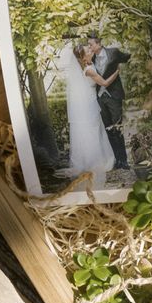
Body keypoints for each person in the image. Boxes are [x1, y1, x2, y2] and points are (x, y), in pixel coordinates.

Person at [61, 44, 120, 187]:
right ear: (82, 57)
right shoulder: (88, 70)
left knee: (95, 131)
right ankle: (93, 161)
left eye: (89, 48)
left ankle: (94, 159)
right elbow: (104, 82)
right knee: (91, 132)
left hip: (90, 102)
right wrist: (117, 72)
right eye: (87, 50)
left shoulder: (89, 64)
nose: (90, 50)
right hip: (87, 106)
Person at [88, 32, 131, 169]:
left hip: (114, 96)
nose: (89, 47)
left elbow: (127, 57)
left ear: (99, 43)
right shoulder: (91, 59)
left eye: (91, 44)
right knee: (108, 130)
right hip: (101, 98)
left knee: (117, 127)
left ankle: (124, 161)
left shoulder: (114, 52)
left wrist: (120, 68)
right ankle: (117, 160)